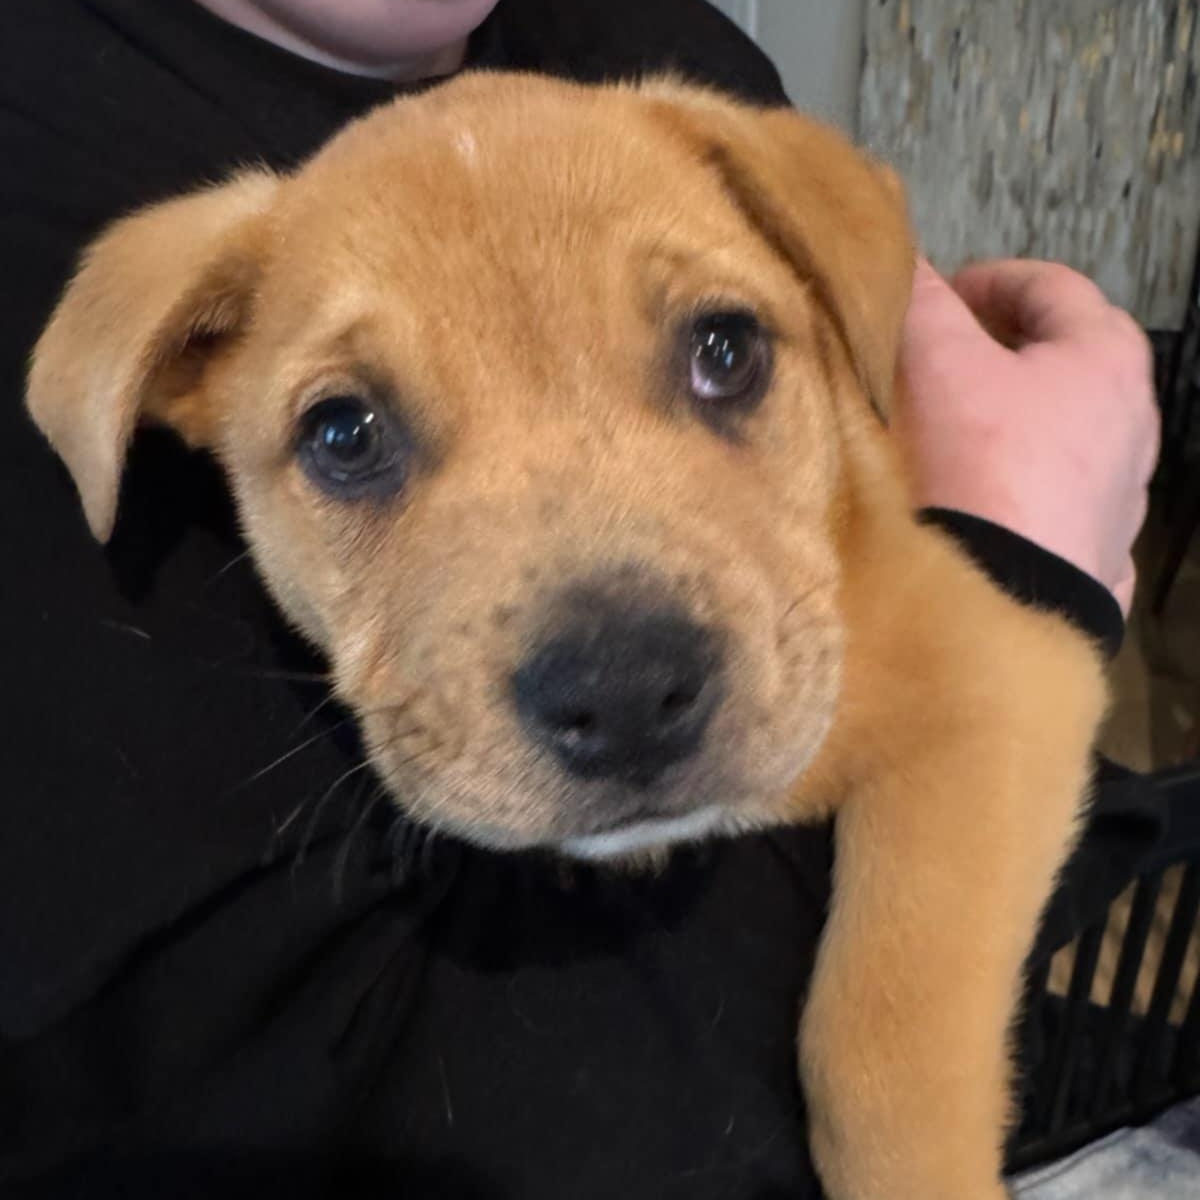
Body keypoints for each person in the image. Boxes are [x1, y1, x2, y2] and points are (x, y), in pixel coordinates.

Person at [0, 2, 1159, 1198]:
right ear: (186, 378)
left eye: (722, 352)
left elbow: (975, 709)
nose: (616, 672)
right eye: (349, 435)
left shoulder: (672, 52)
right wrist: (1020, 554)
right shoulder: (43, 152)